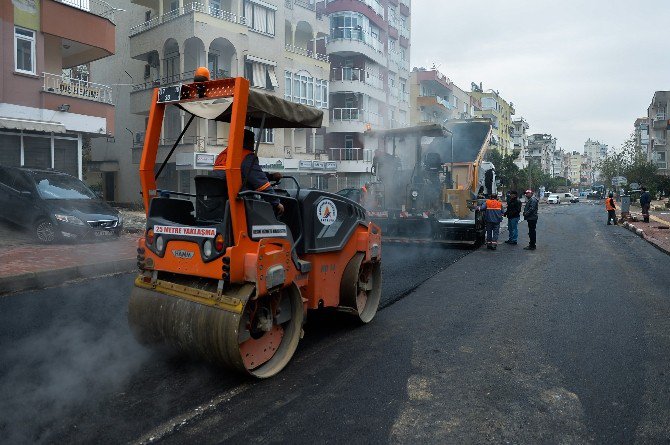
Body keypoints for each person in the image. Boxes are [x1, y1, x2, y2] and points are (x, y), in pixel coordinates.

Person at [213, 129, 284, 216]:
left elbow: (246, 174)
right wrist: (276, 203)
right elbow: (261, 185)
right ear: (248, 142)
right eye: (253, 142)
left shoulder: (222, 155)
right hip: (240, 202)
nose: (253, 145)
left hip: (218, 204)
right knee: (287, 205)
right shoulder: (246, 156)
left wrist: (271, 176)